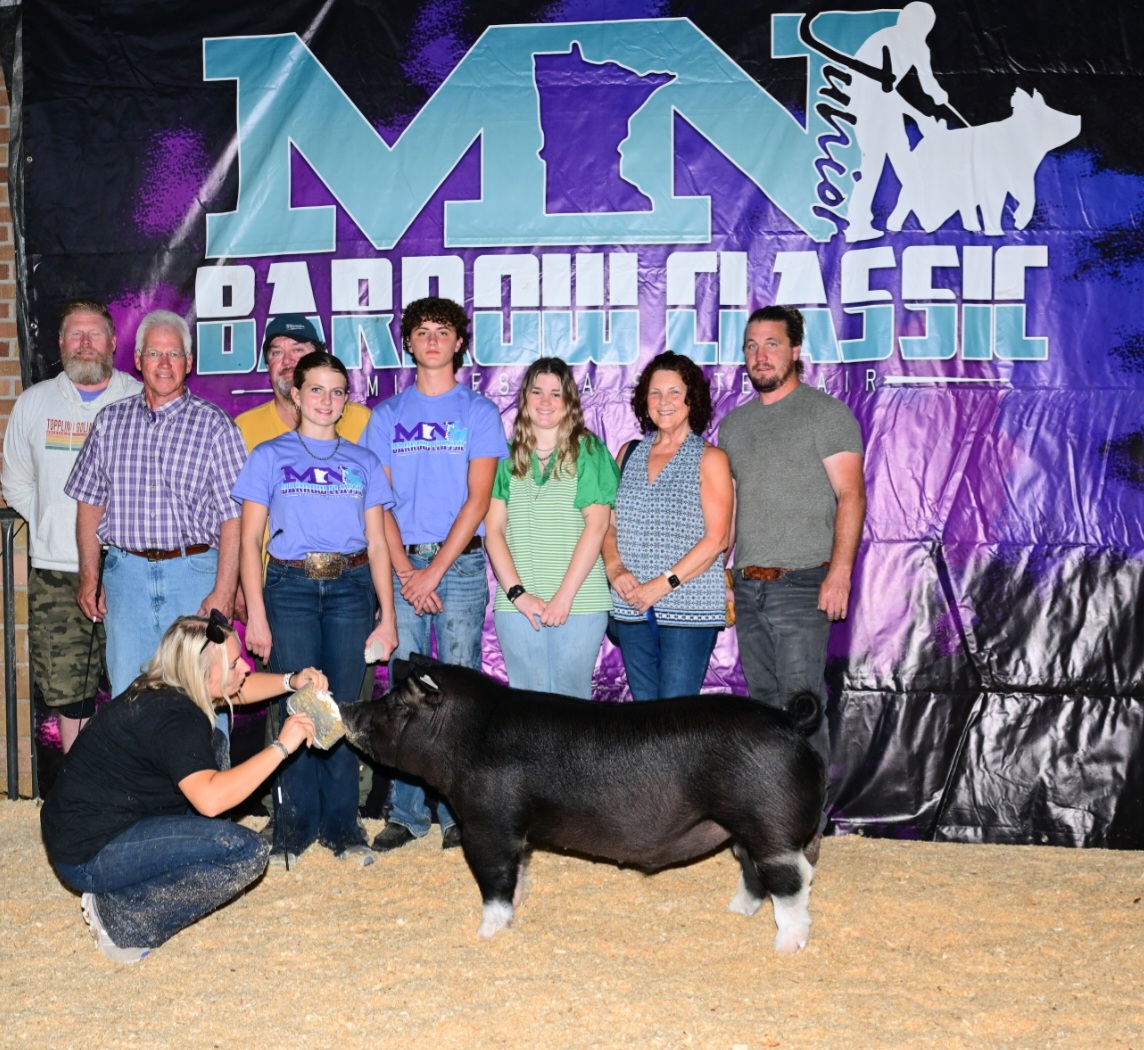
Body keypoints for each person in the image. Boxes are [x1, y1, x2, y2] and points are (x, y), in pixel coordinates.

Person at [40, 612, 325, 962]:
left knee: (215, 743)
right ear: (203, 674)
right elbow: (210, 800)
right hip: (88, 854)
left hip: (90, 824)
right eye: (235, 663)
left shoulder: (166, 685)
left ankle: (172, 857)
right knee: (245, 853)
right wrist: (281, 747)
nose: (245, 669)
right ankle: (118, 915)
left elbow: (235, 688)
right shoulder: (176, 719)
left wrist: (292, 681)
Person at [234, 350, 398, 866]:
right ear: (296, 394)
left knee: (344, 706)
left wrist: (387, 616)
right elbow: (248, 540)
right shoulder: (267, 455)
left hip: (351, 587)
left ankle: (342, 827)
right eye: (316, 389)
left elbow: (377, 544)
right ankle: (293, 825)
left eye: (336, 391)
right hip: (289, 586)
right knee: (298, 703)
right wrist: (255, 613)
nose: (326, 400)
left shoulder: (364, 462)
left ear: (346, 400)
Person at [362, 296, 507, 852]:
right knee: (404, 689)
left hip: (462, 563)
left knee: (460, 687)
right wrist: (405, 572)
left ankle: (459, 813)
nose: (432, 339)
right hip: (404, 565)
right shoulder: (387, 416)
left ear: (459, 343)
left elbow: (478, 500)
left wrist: (434, 571)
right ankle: (405, 811)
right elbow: (382, 502)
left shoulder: (478, 413)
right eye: (421, 330)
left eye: (442, 331)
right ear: (409, 342)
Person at [64, 310, 248, 699]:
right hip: (125, 578)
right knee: (129, 698)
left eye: (174, 355)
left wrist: (224, 590)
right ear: (137, 360)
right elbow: (90, 504)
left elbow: (235, 518)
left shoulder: (216, 426)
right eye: (154, 354)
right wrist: (89, 576)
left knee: (203, 696)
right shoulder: (109, 422)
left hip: (194, 576)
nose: (164, 364)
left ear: (189, 363)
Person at [718, 305, 866, 772]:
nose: (760, 355)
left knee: (801, 706)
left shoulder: (827, 414)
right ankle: (771, 820)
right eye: (751, 346)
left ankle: (807, 826)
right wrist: (723, 573)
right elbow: (733, 507)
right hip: (747, 583)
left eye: (772, 344)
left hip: (803, 583)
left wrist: (839, 573)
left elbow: (852, 495)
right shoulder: (734, 425)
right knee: (763, 710)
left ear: (796, 351)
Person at [1, 300, 141, 750]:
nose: (85, 343)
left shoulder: (138, 398)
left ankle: (137, 799)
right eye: (75, 335)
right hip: (56, 573)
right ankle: (83, 800)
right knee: (70, 696)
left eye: (94, 334)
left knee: (142, 689)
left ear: (113, 343)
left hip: (132, 569)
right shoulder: (34, 403)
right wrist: (54, 526)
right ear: (60, 344)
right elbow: (16, 483)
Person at [484, 358, 618, 699]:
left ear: (569, 401)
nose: (545, 402)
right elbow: (494, 531)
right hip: (517, 605)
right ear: (524, 398)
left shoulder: (587, 449)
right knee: (525, 708)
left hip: (581, 602)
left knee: (572, 708)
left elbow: (598, 524)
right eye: (537, 392)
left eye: (556, 394)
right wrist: (518, 594)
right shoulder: (505, 457)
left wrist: (564, 597)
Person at [601, 351, 733, 700]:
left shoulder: (711, 458)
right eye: (655, 392)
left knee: (674, 719)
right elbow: (608, 526)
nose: (664, 402)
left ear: (692, 399)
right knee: (646, 718)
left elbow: (716, 539)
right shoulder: (627, 453)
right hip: (630, 604)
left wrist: (661, 585)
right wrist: (615, 570)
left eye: (675, 392)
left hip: (688, 607)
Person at [843, 1, 950, 242]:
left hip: (885, 110)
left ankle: (926, 217)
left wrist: (938, 94)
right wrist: (918, 114)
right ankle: (857, 225)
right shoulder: (882, 41)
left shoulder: (918, 47)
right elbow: (879, 90)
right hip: (867, 110)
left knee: (906, 164)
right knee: (873, 167)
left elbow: (927, 83)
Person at [234, 314, 371, 449]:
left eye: (297, 350)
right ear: (268, 366)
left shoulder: (363, 421)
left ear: (319, 359)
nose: (287, 360)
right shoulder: (244, 429)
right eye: (277, 353)